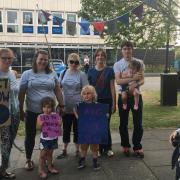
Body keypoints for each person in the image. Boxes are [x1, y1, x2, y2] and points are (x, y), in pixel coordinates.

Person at [18, 49, 64, 170]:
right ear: (36, 59)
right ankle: (28, 159)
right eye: (41, 59)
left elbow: (57, 89)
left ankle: (49, 161)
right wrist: (20, 109)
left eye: (45, 59)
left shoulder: (52, 73)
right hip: (32, 111)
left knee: (51, 137)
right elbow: (21, 93)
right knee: (30, 135)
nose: (43, 61)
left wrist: (62, 104)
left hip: (50, 112)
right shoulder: (27, 74)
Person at [113, 41, 145, 158]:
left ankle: (137, 147)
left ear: (132, 49)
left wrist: (135, 85)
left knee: (138, 123)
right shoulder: (117, 64)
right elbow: (118, 81)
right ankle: (125, 145)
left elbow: (142, 80)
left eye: (129, 48)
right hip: (123, 96)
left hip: (136, 96)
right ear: (122, 50)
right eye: (125, 49)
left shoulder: (139, 63)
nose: (127, 51)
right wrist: (132, 78)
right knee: (123, 123)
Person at [56, 53, 88, 159]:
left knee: (77, 129)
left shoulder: (82, 74)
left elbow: (86, 90)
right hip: (65, 106)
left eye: (76, 62)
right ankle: (64, 149)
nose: (74, 64)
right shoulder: (63, 73)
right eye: (71, 62)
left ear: (79, 63)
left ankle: (77, 150)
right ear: (68, 62)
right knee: (66, 128)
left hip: (78, 108)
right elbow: (58, 87)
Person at [88, 48, 116, 157]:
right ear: (95, 58)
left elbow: (112, 88)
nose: (100, 57)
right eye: (98, 55)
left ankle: (108, 147)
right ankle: (97, 148)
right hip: (94, 102)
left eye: (102, 55)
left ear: (105, 57)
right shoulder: (90, 71)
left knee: (105, 125)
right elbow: (88, 89)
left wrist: (114, 103)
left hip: (107, 102)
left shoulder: (109, 70)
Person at [0, 48, 20, 179]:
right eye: (4, 58)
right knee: (5, 143)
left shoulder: (12, 73)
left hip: (15, 113)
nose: (7, 60)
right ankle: (3, 171)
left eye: (10, 58)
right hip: (2, 114)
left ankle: (3, 168)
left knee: (9, 142)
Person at [74, 85, 101, 170]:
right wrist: (77, 116)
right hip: (84, 130)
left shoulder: (97, 105)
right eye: (84, 94)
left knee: (94, 147)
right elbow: (75, 112)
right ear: (82, 95)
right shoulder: (80, 105)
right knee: (84, 147)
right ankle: (82, 161)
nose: (86, 95)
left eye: (88, 93)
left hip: (94, 130)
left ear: (93, 95)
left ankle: (95, 161)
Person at [37, 97, 62, 179]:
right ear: (42, 107)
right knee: (42, 155)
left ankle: (50, 167)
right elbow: (38, 128)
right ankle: (40, 170)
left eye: (48, 107)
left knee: (50, 154)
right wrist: (41, 124)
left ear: (52, 107)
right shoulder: (40, 116)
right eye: (44, 107)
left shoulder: (55, 115)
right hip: (44, 140)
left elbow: (59, 125)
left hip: (53, 139)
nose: (46, 109)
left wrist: (59, 122)